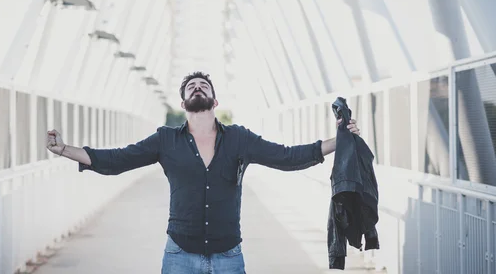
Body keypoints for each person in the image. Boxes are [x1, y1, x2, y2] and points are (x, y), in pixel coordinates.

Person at [46, 71, 360, 274]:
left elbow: (287, 157)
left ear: (214, 100)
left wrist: (341, 141)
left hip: (228, 256)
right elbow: (117, 159)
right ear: (183, 102)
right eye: (192, 87)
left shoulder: (239, 138)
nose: (198, 88)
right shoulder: (165, 140)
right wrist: (64, 149)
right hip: (180, 254)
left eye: (203, 85)